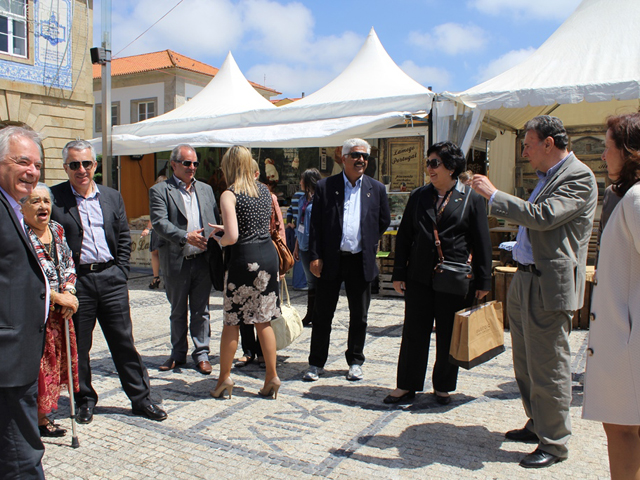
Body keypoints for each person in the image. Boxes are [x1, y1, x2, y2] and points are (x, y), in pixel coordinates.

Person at [472, 115, 597, 468]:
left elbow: (542, 217)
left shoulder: (578, 176)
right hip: (526, 278)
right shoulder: (547, 177)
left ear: (549, 143)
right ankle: (538, 423)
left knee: (550, 367)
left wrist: (494, 195)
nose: (524, 151)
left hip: (549, 284)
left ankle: (555, 442)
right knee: (525, 363)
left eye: (528, 144)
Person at [51, 140, 167, 424]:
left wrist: (120, 271)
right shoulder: (54, 198)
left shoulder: (112, 196)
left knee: (123, 342)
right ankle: (85, 399)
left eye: (87, 164)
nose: (81, 170)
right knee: (79, 346)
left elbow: (123, 235)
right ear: (66, 167)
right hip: (77, 283)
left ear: (95, 165)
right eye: (74, 164)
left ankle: (141, 400)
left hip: (111, 278)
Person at [384, 141, 492, 406]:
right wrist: (399, 273)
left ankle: (443, 386)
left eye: (435, 163)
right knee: (414, 332)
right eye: (428, 162)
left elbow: (481, 242)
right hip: (419, 277)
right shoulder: (419, 196)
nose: (429, 168)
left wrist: (483, 280)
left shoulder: (472, 199)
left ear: (452, 167)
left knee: (448, 333)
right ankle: (407, 385)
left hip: (454, 279)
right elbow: (406, 236)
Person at [583, 112, 640, 480]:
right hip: (626, 339)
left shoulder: (636, 198)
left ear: (630, 151)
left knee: (621, 430)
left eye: (608, 148)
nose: (603, 157)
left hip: (628, 342)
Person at [304, 138, 390, 382]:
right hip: (331, 260)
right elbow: (316, 226)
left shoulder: (377, 189)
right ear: (343, 158)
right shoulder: (325, 187)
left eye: (364, 156)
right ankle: (316, 363)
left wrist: (368, 241)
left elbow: (382, 221)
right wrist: (315, 256)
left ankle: (355, 360)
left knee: (359, 315)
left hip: (360, 260)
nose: (360, 159)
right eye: (355, 155)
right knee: (323, 314)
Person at [209, 145, 281, 399]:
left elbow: (233, 236)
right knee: (264, 321)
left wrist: (217, 239)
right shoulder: (263, 190)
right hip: (267, 256)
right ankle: (271, 376)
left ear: (229, 166)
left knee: (233, 322)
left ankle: (223, 379)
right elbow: (256, 225)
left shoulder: (229, 194)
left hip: (244, 260)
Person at [0, 126, 48, 479]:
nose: (32, 171)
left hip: (19, 352)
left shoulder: (13, 208)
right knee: (22, 458)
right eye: (22, 161)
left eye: (37, 164)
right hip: (7, 355)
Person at [149, 145, 218, 375]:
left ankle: (202, 354)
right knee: (178, 311)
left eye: (195, 163)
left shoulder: (207, 190)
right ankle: (178, 354)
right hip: (177, 260)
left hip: (203, 260)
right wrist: (184, 236)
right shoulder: (160, 190)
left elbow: (214, 219)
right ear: (174, 164)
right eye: (187, 163)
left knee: (202, 310)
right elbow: (160, 223)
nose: (192, 168)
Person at [20, 183, 80, 438]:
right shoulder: (20, 234)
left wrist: (69, 292)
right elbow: (25, 276)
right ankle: (32, 418)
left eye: (46, 201)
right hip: (34, 313)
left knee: (54, 365)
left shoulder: (57, 229)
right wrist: (56, 297)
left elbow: (68, 262)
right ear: (22, 207)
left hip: (60, 312)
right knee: (37, 367)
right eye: (35, 201)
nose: (43, 206)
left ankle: (42, 418)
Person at [293, 168, 322, 326]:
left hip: (314, 247)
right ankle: (311, 313)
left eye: (302, 179)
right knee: (310, 281)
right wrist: (296, 245)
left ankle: (317, 313)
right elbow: (299, 223)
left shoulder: (320, 199)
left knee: (316, 280)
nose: (300, 182)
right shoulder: (302, 199)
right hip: (303, 244)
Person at [141, 174, 167, 289]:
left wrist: (147, 228)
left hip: (157, 229)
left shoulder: (155, 194)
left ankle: (156, 278)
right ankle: (167, 278)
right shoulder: (171, 193)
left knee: (155, 254)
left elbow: (154, 214)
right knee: (167, 254)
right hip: (168, 229)